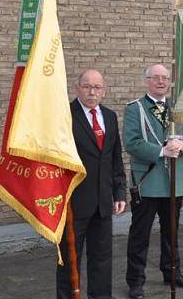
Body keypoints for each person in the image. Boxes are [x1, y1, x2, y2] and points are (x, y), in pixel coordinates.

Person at [123, 64, 183, 299]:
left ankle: (172, 272)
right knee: (140, 235)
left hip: (175, 180)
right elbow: (131, 142)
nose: (161, 82)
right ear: (147, 81)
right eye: (156, 78)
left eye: (165, 78)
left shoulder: (178, 107)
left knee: (171, 232)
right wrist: (161, 151)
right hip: (148, 181)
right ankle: (136, 281)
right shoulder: (135, 109)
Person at [57, 70, 126, 299]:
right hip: (74, 203)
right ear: (77, 89)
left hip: (104, 201)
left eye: (97, 87)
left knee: (102, 258)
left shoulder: (110, 116)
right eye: (87, 87)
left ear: (104, 91)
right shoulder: (64, 116)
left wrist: (119, 193)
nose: (92, 92)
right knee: (69, 259)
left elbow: (115, 159)